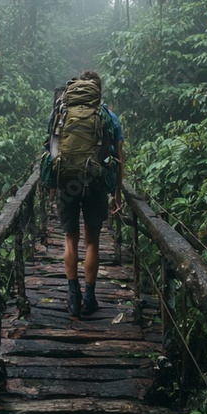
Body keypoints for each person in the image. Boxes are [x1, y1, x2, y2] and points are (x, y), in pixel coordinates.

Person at [48, 70, 124, 319]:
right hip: (95, 181)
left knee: (71, 238)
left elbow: (52, 149)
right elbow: (118, 158)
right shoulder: (107, 116)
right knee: (92, 240)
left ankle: (73, 298)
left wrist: (52, 187)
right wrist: (117, 194)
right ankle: (90, 298)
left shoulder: (61, 111)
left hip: (66, 181)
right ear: (99, 91)